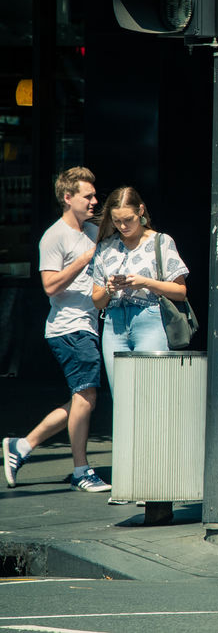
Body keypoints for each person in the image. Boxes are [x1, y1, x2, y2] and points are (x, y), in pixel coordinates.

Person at [4, 168, 110, 493]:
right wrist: (83, 259)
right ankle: (81, 470)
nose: (94, 201)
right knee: (86, 396)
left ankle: (21, 445)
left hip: (90, 325)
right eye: (87, 196)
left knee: (82, 399)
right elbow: (50, 286)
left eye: (94, 195)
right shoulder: (54, 236)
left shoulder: (93, 229)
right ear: (67, 198)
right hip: (69, 328)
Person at [90, 186, 190, 392]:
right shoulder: (105, 246)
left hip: (150, 320)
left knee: (150, 393)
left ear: (140, 211)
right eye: (117, 221)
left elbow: (180, 291)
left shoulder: (161, 242)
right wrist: (109, 289)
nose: (123, 226)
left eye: (128, 219)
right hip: (113, 324)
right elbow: (97, 301)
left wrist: (145, 282)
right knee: (121, 395)